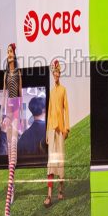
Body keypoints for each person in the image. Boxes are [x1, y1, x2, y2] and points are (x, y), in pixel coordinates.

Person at [2, 43, 23, 216]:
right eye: (7, 52)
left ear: (14, 54)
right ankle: (13, 187)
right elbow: (4, 94)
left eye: (11, 52)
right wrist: (2, 114)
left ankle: (7, 206)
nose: (9, 55)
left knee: (13, 153)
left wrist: (21, 117)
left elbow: (20, 95)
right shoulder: (6, 75)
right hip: (8, 109)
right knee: (10, 153)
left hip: (16, 109)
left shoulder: (17, 73)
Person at [44, 60, 70, 208]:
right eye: (54, 72)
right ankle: (49, 194)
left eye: (57, 72)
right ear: (52, 74)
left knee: (60, 159)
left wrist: (67, 128)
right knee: (51, 162)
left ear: (60, 74)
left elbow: (66, 109)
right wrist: (47, 133)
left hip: (60, 130)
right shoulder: (52, 92)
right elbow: (49, 112)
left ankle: (60, 190)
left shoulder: (63, 90)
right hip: (51, 130)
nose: (56, 75)